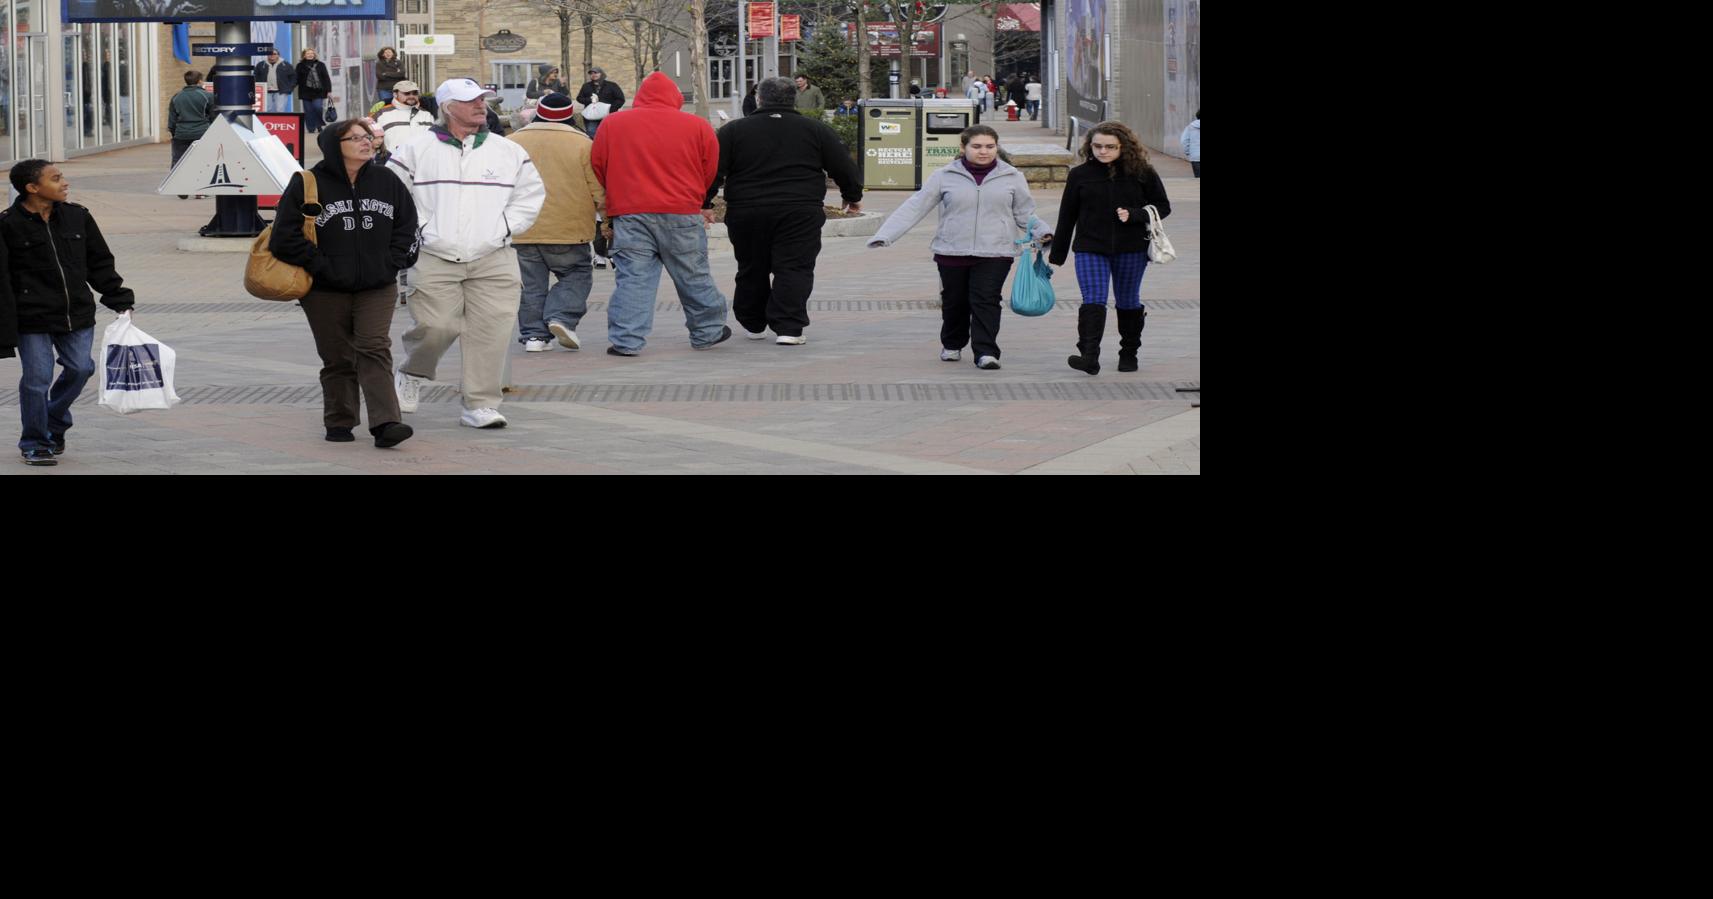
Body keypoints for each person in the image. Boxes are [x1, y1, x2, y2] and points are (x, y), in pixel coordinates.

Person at [385, 77, 545, 430]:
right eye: (470, 100)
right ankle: (412, 371)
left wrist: (503, 228)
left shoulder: (508, 151)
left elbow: (530, 196)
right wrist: (420, 231)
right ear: (447, 107)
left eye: (482, 100)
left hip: (494, 256)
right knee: (436, 326)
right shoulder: (414, 149)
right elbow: (393, 198)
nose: (480, 106)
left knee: (491, 332)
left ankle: (481, 404)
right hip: (434, 255)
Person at [270, 120, 419, 447]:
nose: (366, 143)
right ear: (334, 146)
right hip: (324, 289)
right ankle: (340, 420)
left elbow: (408, 226)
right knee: (337, 357)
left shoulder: (386, 180)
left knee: (374, 347)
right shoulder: (307, 183)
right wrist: (322, 265)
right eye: (355, 139)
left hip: (377, 285)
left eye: (368, 137)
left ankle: (386, 423)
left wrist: (392, 262)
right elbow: (283, 238)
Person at [867, 125, 1050, 370]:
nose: (983, 152)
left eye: (989, 146)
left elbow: (1025, 212)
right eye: (976, 147)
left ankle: (986, 352)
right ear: (963, 148)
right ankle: (953, 343)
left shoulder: (1012, 176)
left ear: (997, 147)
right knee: (955, 301)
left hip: (996, 251)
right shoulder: (944, 175)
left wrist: (1044, 232)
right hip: (951, 250)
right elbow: (916, 206)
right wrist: (886, 236)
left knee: (986, 299)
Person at [0, 159, 135, 466]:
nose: (64, 183)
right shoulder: (7, 224)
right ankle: (35, 441)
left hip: (76, 311)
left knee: (81, 368)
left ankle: (53, 421)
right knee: (37, 379)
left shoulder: (78, 217)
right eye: (56, 178)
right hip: (31, 316)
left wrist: (118, 297)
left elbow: (100, 261)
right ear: (33, 188)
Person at [708, 77, 861, 346]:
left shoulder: (734, 131)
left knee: (752, 266)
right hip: (799, 210)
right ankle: (789, 328)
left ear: (759, 99)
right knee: (794, 267)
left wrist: (704, 202)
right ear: (793, 99)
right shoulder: (815, 129)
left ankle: (753, 322)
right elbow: (843, 166)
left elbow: (714, 170)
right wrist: (852, 196)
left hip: (747, 209)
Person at [589, 72, 730, 356]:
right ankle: (707, 331)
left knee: (633, 278)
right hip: (681, 211)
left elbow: (599, 164)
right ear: (676, 97)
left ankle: (627, 340)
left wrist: (620, 193)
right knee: (693, 274)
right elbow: (710, 168)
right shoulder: (697, 126)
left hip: (631, 212)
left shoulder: (613, 124)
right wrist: (695, 196)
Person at [1051, 120, 1171, 376]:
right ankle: (1089, 356)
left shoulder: (1142, 173)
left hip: (1131, 248)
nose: (1103, 151)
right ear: (1089, 146)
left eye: (1110, 147)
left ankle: (1128, 352)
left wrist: (1136, 214)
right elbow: (1067, 215)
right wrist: (1057, 254)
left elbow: (1163, 206)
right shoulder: (1080, 175)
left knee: (1128, 301)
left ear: (1123, 147)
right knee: (1093, 299)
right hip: (1090, 247)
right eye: (1097, 146)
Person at [508, 93, 604, 353]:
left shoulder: (512, 142)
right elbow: (597, 189)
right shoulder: (583, 144)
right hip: (569, 228)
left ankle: (533, 337)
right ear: (570, 115)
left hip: (521, 229)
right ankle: (561, 317)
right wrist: (607, 219)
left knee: (531, 285)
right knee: (576, 274)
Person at [166, 69, 215, 198]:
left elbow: (172, 119)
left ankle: (181, 187)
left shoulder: (176, 97)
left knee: (179, 160)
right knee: (203, 161)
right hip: (202, 133)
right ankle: (200, 191)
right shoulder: (207, 96)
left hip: (181, 134)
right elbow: (213, 116)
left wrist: (174, 132)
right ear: (199, 81)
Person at [376, 80, 434, 153]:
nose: (411, 96)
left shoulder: (427, 114)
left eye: (415, 93)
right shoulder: (382, 113)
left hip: (423, 161)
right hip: (392, 162)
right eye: (406, 93)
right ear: (395, 94)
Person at [575, 66, 625, 139]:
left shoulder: (612, 85)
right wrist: (590, 100)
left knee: (608, 136)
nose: (593, 74)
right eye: (591, 73)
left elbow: (620, 99)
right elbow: (579, 98)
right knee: (592, 136)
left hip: (608, 116)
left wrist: (610, 109)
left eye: (596, 72)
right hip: (592, 117)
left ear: (602, 74)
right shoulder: (586, 86)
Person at [296, 48, 332, 134]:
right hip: (305, 91)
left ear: (314, 55)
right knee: (308, 111)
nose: (310, 55)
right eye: (308, 53)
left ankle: (319, 125)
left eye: (312, 53)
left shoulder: (321, 65)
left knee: (318, 108)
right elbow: (296, 78)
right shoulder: (300, 65)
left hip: (318, 91)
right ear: (304, 55)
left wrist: (329, 91)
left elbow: (326, 78)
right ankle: (311, 128)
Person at [1180, 108, 1200, 178]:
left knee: (1198, 180)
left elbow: (1184, 141)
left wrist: (1188, 152)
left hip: (1195, 157)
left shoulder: (1190, 127)